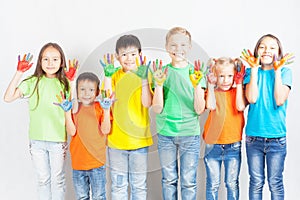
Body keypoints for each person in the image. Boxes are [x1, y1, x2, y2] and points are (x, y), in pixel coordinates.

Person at [3, 42, 78, 200]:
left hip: (58, 140)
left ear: (62, 62)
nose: (50, 63)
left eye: (55, 59)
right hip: (37, 141)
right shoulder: (33, 82)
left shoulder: (64, 83)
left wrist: (72, 82)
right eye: (46, 59)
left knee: (58, 180)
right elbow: (8, 97)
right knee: (43, 180)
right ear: (40, 61)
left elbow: (75, 109)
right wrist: (18, 72)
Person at [152, 27, 206, 200]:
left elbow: (199, 110)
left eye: (183, 44)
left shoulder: (196, 73)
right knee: (169, 180)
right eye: (173, 45)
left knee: (188, 181)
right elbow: (157, 109)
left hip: (190, 134)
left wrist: (197, 85)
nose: (178, 49)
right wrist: (158, 84)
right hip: (166, 134)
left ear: (189, 47)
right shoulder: (161, 72)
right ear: (166, 47)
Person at [241, 34, 294, 200]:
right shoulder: (250, 72)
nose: (267, 51)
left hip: (276, 138)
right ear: (257, 50)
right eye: (262, 47)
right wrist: (255, 69)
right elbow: (252, 98)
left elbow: (279, 100)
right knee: (256, 182)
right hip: (253, 138)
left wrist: (277, 71)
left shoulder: (285, 72)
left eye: (272, 47)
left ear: (278, 52)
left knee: (275, 182)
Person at [101, 34, 153, 200]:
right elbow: (106, 99)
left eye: (133, 54)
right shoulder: (114, 75)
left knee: (138, 186)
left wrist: (144, 80)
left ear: (140, 54)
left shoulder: (145, 74)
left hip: (139, 142)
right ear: (117, 57)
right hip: (116, 142)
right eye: (124, 55)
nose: (129, 58)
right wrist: (108, 76)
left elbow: (147, 103)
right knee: (118, 186)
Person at [203, 57, 247, 200]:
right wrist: (210, 85)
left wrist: (239, 83)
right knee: (213, 184)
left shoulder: (236, 92)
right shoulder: (212, 92)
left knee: (231, 183)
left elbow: (240, 106)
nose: (226, 80)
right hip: (212, 145)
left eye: (230, 76)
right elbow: (210, 106)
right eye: (221, 76)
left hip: (233, 145)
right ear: (215, 76)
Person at [66, 72, 112, 200]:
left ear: (97, 92)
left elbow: (106, 130)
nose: (86, 94)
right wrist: (66, 112)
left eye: (91, 90)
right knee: (81, 197)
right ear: (77, 91)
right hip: (78, 165)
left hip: (97, 164)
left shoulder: (100, 108)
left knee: (99, 196)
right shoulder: (74, 109)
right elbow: (71, 132)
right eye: (82, 89)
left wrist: (107, 111)